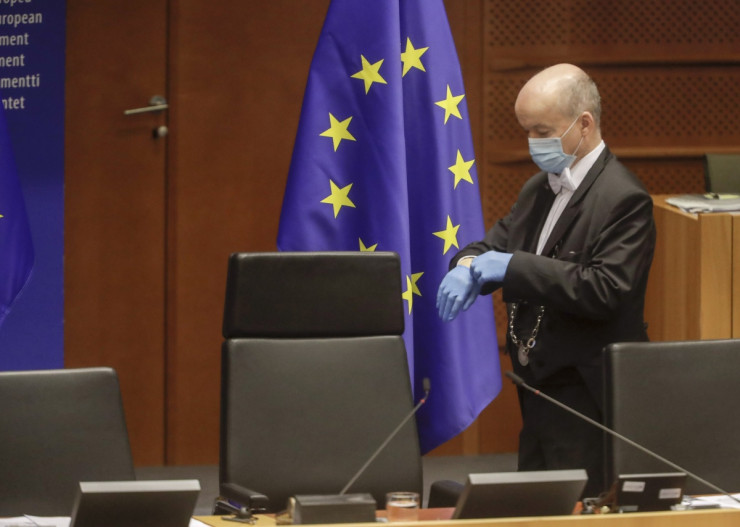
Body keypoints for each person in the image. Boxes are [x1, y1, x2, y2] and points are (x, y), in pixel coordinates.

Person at [436, 63, 656, 497]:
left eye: (542, 131)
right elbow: (489, 246)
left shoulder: (624, 198)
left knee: (577, 511)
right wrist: (466, 266)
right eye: (527, 131)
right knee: (537, 510)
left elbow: (605, 289)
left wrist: (511, 267)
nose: (533, 143)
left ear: (584, 124)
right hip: (537, 390)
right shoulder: (539, 188)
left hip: (587, 398)